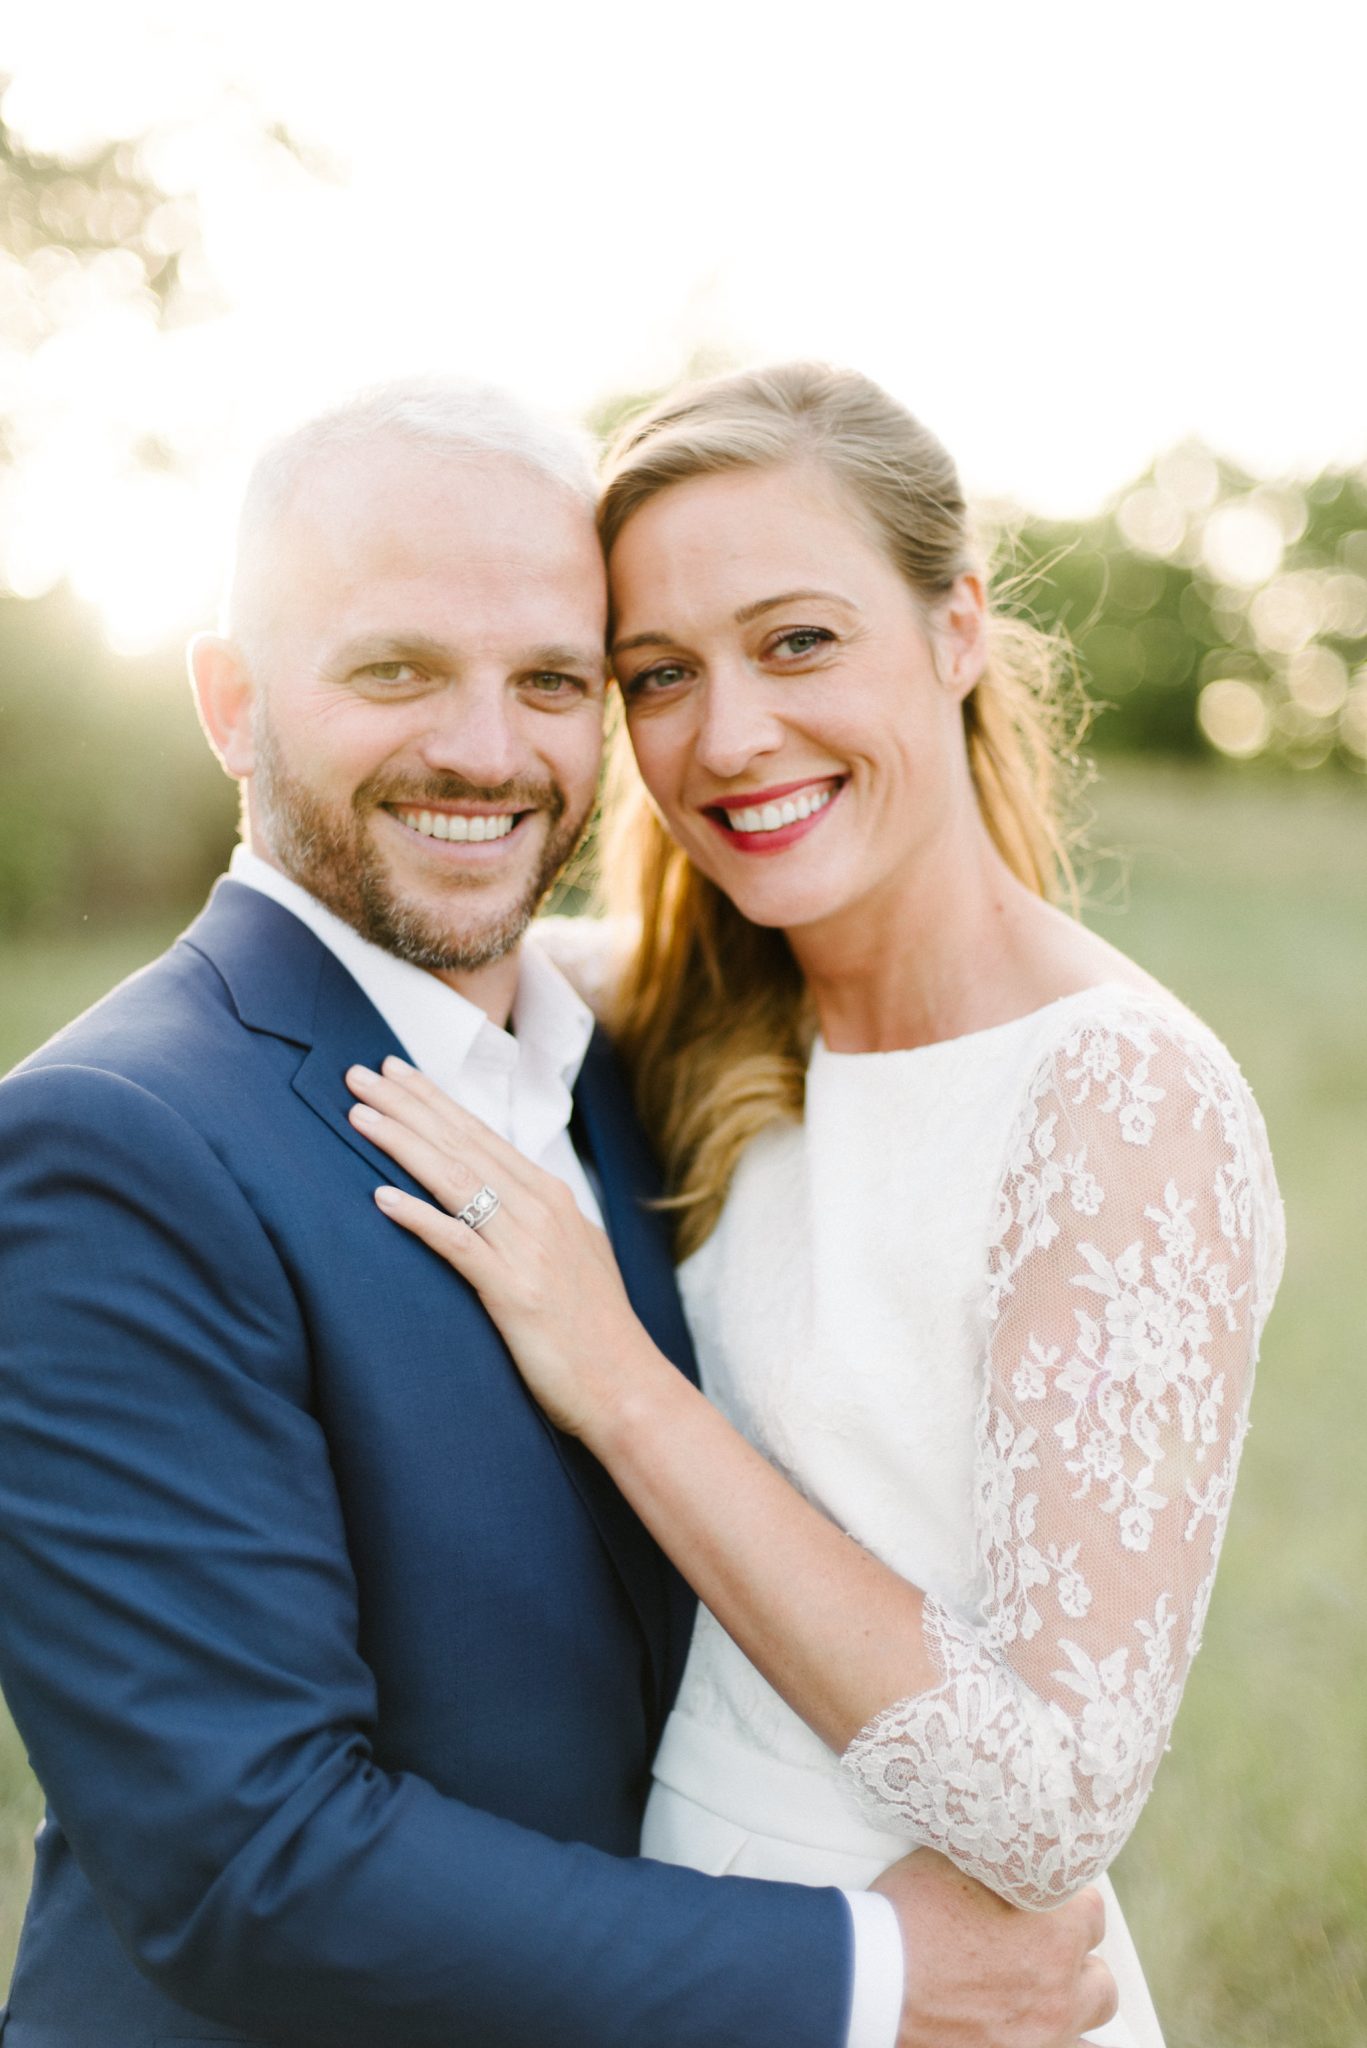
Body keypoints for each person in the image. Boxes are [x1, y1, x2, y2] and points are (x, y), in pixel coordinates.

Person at [0, 379, 1115, 2048]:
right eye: (396, 672)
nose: (486, 751)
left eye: (551, 682)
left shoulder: (620, 1069)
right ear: (234, 701)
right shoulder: (108, 1147)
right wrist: (873, 1978)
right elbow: (250, 1862)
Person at [342, 364, 1286, 2048]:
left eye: (798, 641)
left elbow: (1054, 1804)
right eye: (658, 676)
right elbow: (398, 950)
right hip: (704, 1947)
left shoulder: (1124, 1100)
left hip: (952, 1989)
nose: (729, 736)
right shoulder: (691, 1009)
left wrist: (621, 1386)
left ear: (959, 627)